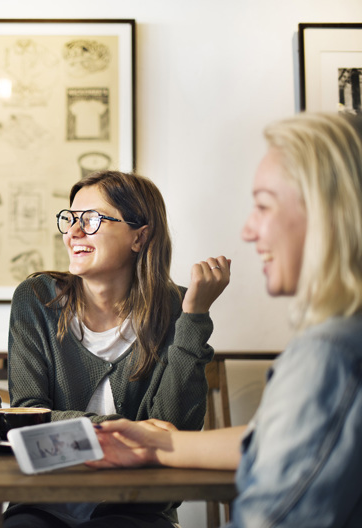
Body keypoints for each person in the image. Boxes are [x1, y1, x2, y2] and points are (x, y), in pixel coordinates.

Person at [87, 113, 362, 527]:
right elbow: (272, 441)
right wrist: (156, 446)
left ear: (329, 214)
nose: (249, 230)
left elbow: (272, 517)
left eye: (263, 206)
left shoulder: (329, 352)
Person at [5, 170, 231, 527]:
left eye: (91, 219)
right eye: (70, 219)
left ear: (139, 237)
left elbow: (175, 433)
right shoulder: (36, 299)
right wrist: (126, 430)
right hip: (43, 500)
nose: (73, 232)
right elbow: (28, 415)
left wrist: (195, 317)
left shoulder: (176, 309)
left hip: (139, 505)